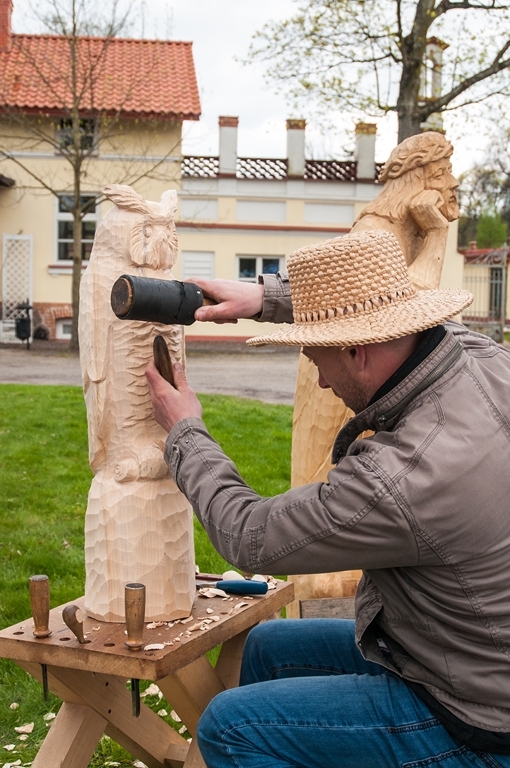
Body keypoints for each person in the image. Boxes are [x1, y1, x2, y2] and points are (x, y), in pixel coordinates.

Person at [145, 228, 510, 768]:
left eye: (315, 358)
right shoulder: (477, 354)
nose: (318, 381)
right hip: (469, 652)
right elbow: (376, 309)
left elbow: (249, 535)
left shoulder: (404, 474)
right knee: (269, 649)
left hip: (479, 720)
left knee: (230, 728)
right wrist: (265, 298)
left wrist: (186, 431)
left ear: (356, 350)